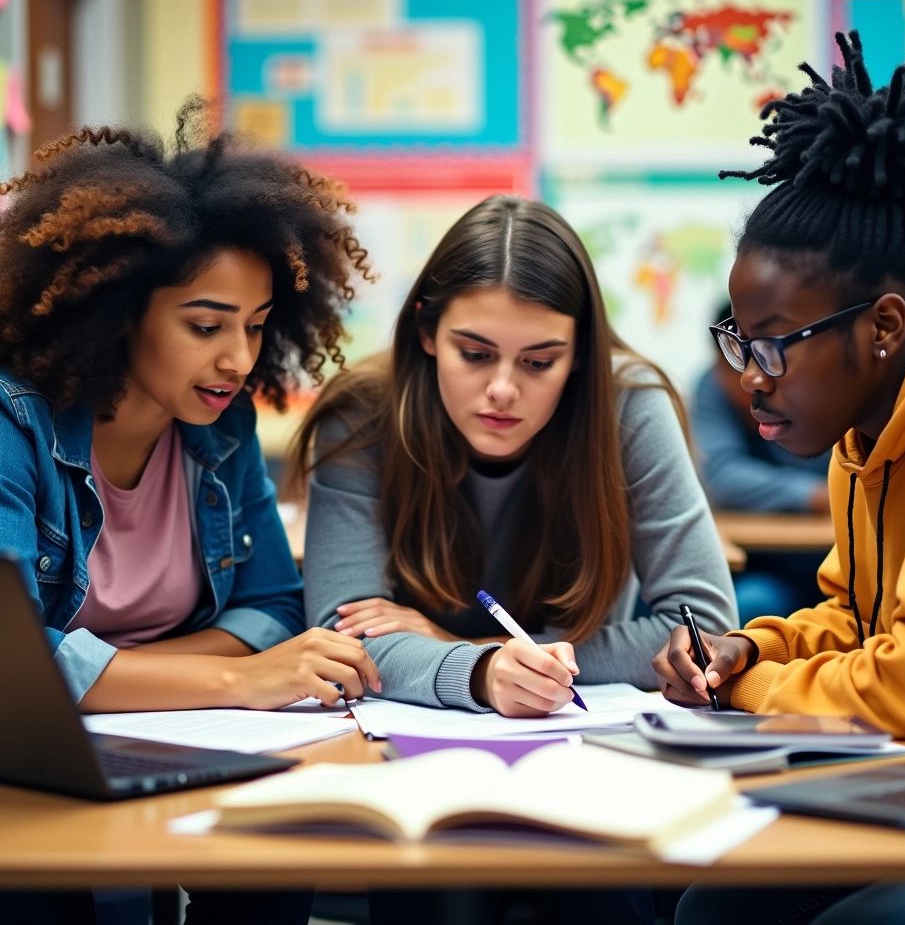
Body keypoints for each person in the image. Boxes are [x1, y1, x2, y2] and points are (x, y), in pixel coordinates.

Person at [654, 32, 905, 923]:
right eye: (738, 342)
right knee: (713, 908)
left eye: (775, 342)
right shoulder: (866, 429)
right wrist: (752, 647)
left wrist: (743, 689)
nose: (752, 376)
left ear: (885, 327)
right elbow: (857, 619)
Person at [293, 194, 737, 925]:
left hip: (592, 754)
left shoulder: (631, 407)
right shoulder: (363, 418)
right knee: (433, 889)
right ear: (427, 331)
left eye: (541, 361)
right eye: (474, 353)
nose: (503, 388)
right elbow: (344, 636)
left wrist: (465, 652)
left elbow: (702, 630)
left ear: (581, 354)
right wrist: (481, 672)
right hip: (417, 756)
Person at [0, 102, 381, 925]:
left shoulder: (221, 428)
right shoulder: (14, 423)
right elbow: (19, 661)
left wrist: (129, 673)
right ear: (117, 311)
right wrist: (233, 678)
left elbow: (274, 605)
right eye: (205, 325)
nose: (238, 360)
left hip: (180, 744)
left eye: (255, 326)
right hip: (33, 774)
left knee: (277, 858)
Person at [692, 297, 831, 621]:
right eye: (733, 363)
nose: (750, 379)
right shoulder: (712, 389)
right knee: (750, 605)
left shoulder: (826, 388)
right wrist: (815, 495)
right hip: (767, 564)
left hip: (844, 562)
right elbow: (723, 478)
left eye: (764, 360)